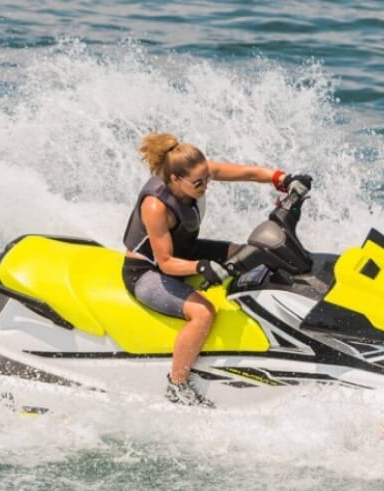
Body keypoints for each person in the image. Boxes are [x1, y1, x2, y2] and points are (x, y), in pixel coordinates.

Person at [122, 131, 310, 407]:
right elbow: (165, 262)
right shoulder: (155, 205)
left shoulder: (195, 175)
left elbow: (247, 173)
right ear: (175, 180)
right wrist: (202, 266)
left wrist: (281, 179)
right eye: (199, 183)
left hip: (185, 251)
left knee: (249, 255)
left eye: (207, 178)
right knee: (202, 313)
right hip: (146, 272)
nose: (205, 185)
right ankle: (177, 385)